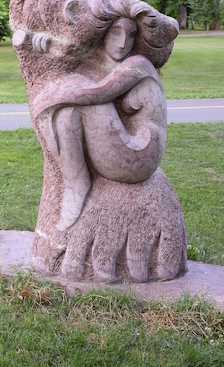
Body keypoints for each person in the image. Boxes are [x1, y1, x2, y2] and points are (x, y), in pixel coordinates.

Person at [32, 16, 167, 232]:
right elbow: (73, 58)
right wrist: (47, 44)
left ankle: (76, 185)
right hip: (127, 149)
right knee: (67, 112)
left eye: (131, 35)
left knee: (77, 96)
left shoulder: (138, 64)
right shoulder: (105, 64)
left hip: (140, 153)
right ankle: (76, 183)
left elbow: (98, 93)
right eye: (116, 33)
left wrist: (46, 100)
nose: (123, 43)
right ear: (103, 35)